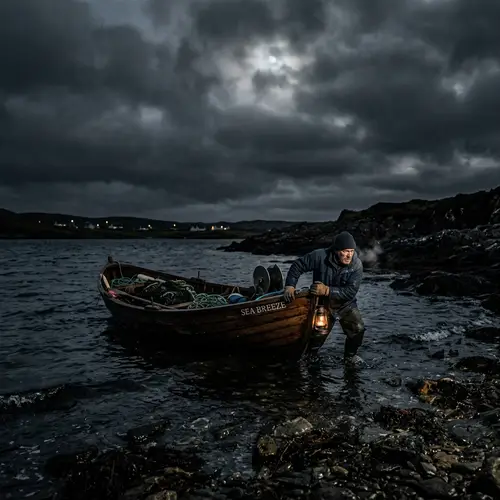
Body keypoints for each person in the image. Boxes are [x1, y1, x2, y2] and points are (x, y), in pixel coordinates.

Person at [283, 231, 365, 362]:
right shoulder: (320, 256)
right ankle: (309, 359)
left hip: (346, 304)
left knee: (358, 329)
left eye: (351, 251)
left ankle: (350, 357)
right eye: (345, 251)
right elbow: (298, 265)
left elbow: (350, 292)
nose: (349, 255)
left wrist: (327, 290)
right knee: (317, 337)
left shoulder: (357, 265)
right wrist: (290, 286)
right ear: (336, 250)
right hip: (322, 305)